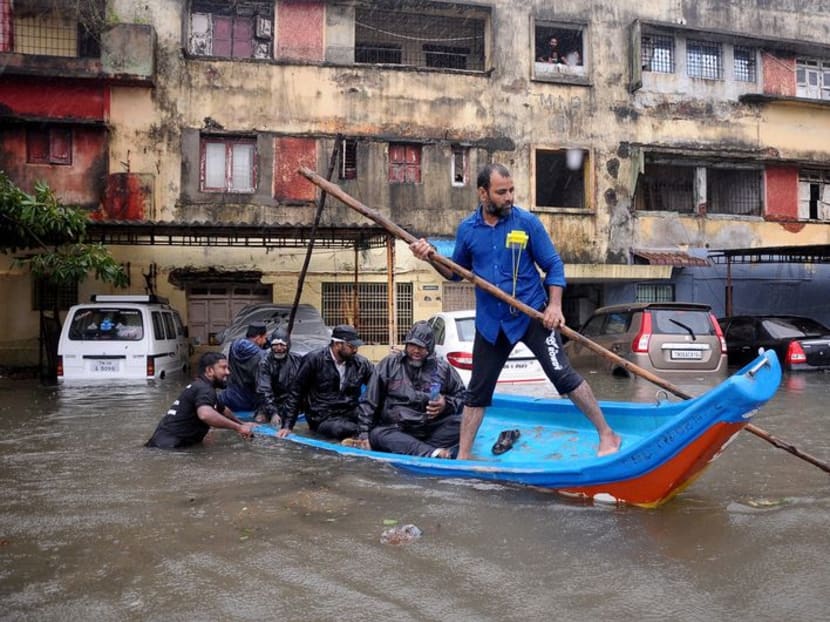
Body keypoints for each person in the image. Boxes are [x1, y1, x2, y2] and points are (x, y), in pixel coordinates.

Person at [410, 163, 621, 459]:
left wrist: (556, 307)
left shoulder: (526, 223)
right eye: (501, 192)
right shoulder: (468, 230)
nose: (509, 197)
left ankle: (608, 435)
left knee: (564, 377)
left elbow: (554, 266)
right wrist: (430, 256)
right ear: (483, 193)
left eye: (511, 191)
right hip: (491, 325)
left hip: (532, 315)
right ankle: (464, 456)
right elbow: (455, 272)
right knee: (477, 392)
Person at [353, 321, 465, 458]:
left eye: (421, 347)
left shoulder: (443, 369)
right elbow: (369, 401)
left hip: (429, 429)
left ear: (429, 348)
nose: (416, 350)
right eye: (412, 345)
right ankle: (430, 452)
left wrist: (445, 404)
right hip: (397, 429)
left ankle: (418, 449)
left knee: (464, 422)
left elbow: (463, 397)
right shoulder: (389, 364)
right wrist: (363, 434)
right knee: (377, 435)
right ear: (406, 345)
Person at [278, 324, 374, 441]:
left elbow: (378, 386)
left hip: (350, 412)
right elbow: (296, 392)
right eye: (351, 346)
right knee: (341, 429)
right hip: (322, 416)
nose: (355, 350)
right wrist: (287, 426)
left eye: (356, 347)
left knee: (377, 422)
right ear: (337, 344)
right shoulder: (313, 359)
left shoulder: (361, 363)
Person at [145, 351, 255, 449]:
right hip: (169, 449)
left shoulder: (201, 387)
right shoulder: (205, 389)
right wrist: (238, 428)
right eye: (223, 368)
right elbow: (205, 414)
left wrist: (242, 423)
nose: (228, 372)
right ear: (209, 370)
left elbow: (223, 409)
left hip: (162, 445)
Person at [255, 326, 303, 425]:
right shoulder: (265, 363)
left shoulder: (297, 360)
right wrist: (273, 413)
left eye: (282, 345)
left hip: (291, 403)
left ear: (288, 345)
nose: (279, 348)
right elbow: (264, 391)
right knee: (260, 420)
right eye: (275, 345)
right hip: (270, 403)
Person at [221, 322, 268, 413]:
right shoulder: (259, 354)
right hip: (248, 400)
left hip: (229, 396)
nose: (266, 341)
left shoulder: (234, 345)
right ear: (258, 338)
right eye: (265, 338)